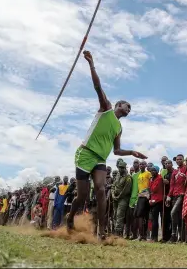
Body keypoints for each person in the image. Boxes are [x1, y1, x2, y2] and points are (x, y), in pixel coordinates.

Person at [66, 50, 147, 240]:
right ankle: (70, 218)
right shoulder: (106, 109)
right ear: (118, 105)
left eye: (130, 109)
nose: (129, 110)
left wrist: (132, 152)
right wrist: (91, 64)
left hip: (100, 159)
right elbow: (97, 86)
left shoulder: (119, 127)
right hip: (85, 154)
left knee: (101, 190)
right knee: (83, 196)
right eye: (127, 106)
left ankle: (102, 232)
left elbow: (117, 150)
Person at [166, 154, 187, 243]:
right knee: (177, 217)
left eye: (180, 159)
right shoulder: (175, 171)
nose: (178, 161)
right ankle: (179, 238)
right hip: (174, 195)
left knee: (173, 212)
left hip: (182, 195)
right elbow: (172, 185)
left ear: (183, 160)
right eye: (177, 159)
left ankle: (174, 235)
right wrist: (168, 197)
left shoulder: (186, 168)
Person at [111, 160, 132, 236]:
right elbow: (113, 186)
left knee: (120, 215)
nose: (120, 169)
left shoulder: (128, 177)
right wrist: (113, 195)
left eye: (122, 168)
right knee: (115, 214)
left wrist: (118, 197)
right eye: (120, 167)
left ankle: (118, 232)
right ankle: (115, 230)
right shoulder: (117, 175)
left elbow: (126, 190)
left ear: (125, 168)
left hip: (123, 199)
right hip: (115, 198)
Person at [134, 160, 152, 241]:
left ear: (146, 165)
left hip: (145, 196)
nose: (141, 165)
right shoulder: (139, 174)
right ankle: (142, 236)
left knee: (141, 216)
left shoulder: (148, 173)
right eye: (140, 164)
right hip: (140, 196)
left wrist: (147, 192)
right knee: (140, 216)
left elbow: (151, 183)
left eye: (143, 164)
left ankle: (142, 235)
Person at [148, 166, 164, 242]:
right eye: (151, 170)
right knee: (153, 219)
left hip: (158, 201)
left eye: (154, 170)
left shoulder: (159, 178)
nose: (152, 172)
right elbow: (150, 189)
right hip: (153, 200)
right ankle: (153, 237)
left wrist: (151, 185)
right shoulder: (152, 179)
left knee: (156, 220)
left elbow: (153, 189)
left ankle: (154, 238)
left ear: (157, 171)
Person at [126, 159, 140, 239]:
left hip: (138, 199)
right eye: (134, 163)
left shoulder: (140, 174)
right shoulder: (131, 176)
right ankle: (130, 234)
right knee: (130, 218)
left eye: (136, 163)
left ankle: (135, 235)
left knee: (136, 218)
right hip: (130, 200)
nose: (135, 164)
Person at [161, 159, 173, 242]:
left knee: (172, 217)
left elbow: (174, 185)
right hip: (166, 197)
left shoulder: (175, 173)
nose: (167, 164)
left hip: (173, 197)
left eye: (169, 163)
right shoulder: (165, 175)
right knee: (166, 217)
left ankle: (172, 236)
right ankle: (165, 237)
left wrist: (168, 183)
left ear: (172, 164)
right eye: (166, 163)